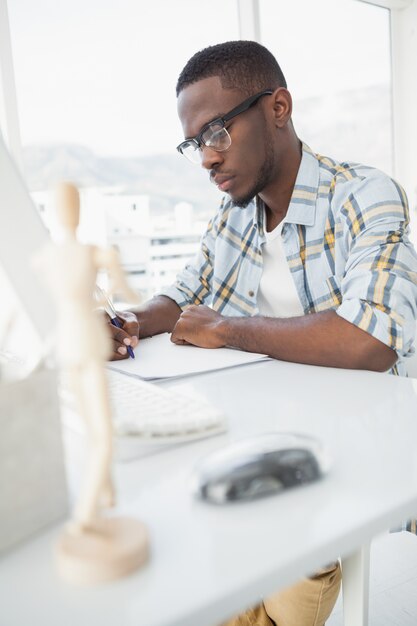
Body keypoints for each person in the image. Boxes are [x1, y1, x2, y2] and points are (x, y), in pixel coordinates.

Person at [106, 41, 417, 625]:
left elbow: (368, 341)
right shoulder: (235, 214)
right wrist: (127, 322)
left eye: (217, 131)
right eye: (194, 142)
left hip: (366, 435)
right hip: (269, 426)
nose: (205, 158)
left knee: (274, 563)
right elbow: (183, 293)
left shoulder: (364, 195)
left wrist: (228, 330)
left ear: (278, 108)